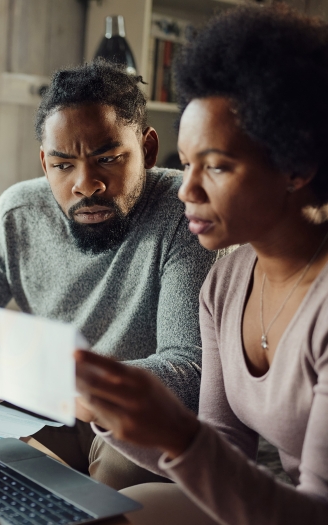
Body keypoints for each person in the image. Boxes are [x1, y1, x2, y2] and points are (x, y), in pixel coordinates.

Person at [0, 59, 217, 490]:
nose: (86, 184)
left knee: (127, 468)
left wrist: (20, 374)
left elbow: (187, 373)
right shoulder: (18, 214)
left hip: (134, 423)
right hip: (46, 410)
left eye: (109, 158)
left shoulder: (185, 214)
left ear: (148, 150)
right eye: (64, 165)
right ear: (44, 163)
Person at [74, 5, 328, 524]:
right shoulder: (227, 281)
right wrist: (112, 415)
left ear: (297, 165)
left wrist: (176, 432)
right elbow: (222, 451)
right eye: (186, 163)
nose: (187, 189)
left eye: (215, 165)